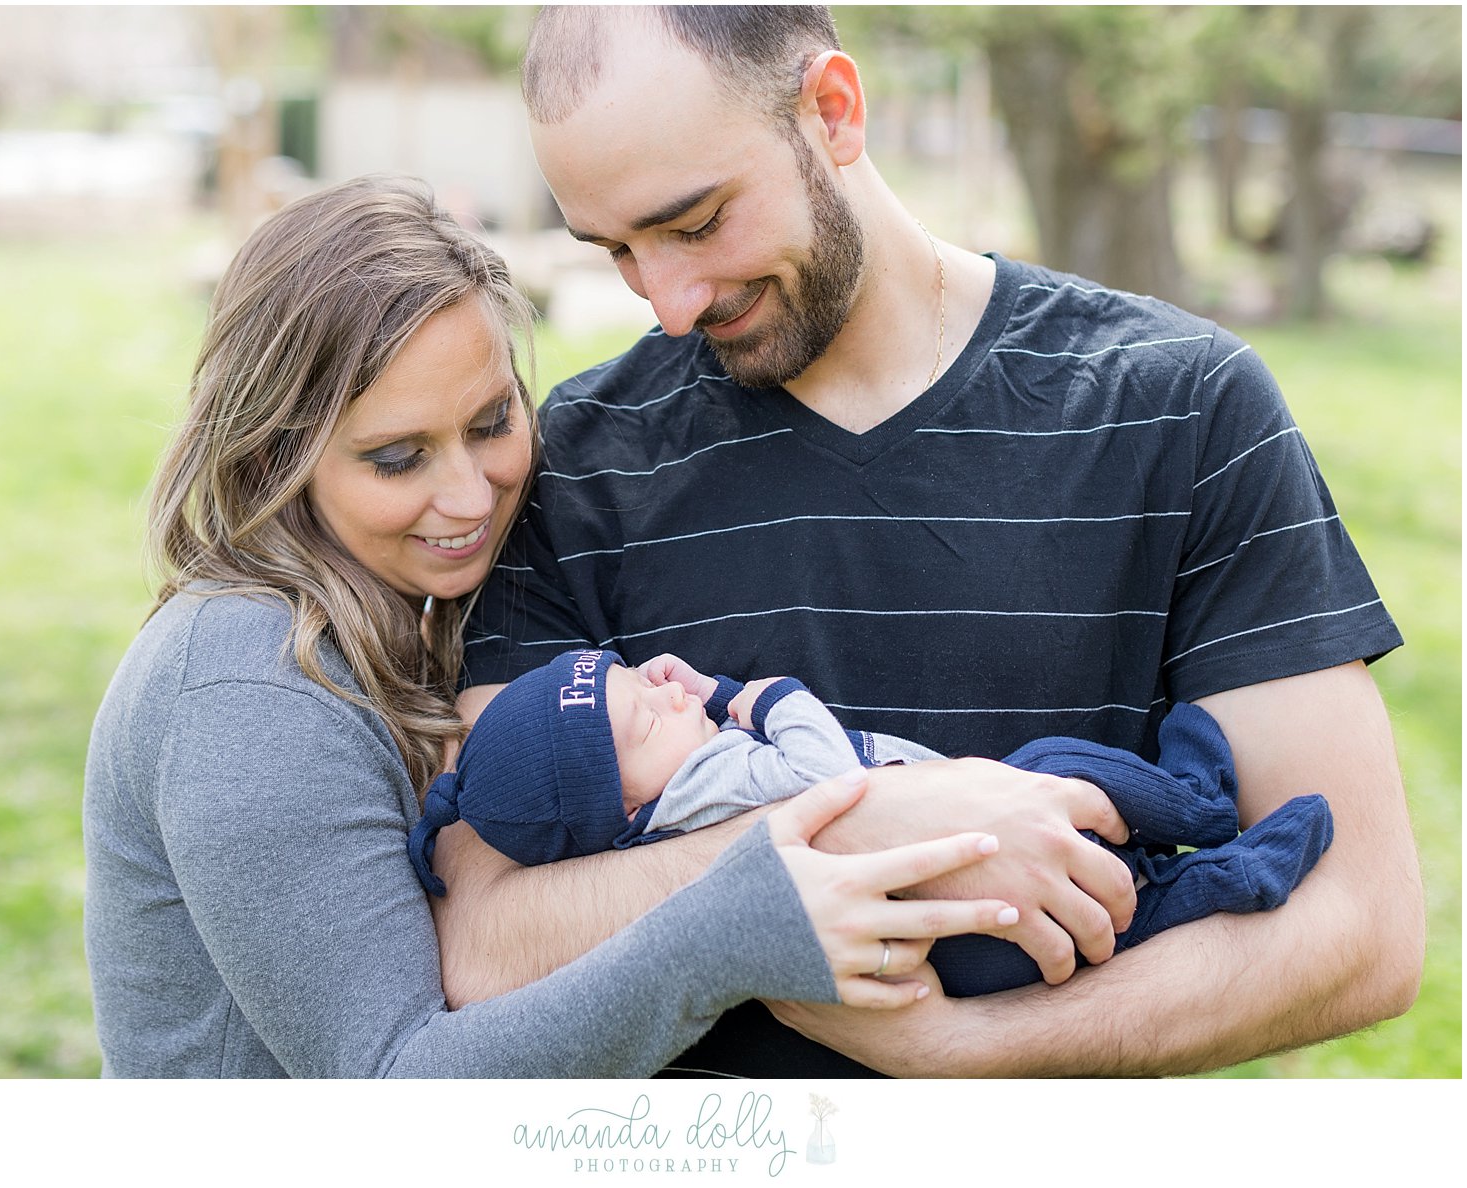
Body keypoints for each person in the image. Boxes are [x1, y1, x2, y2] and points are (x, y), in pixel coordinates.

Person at [447, 6, 1424, 1077]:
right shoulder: (576, 464)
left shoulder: (1180, 408)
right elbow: (485, 944)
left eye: (695, 222)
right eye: (618, 250)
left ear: (832, 110)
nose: (670, 304)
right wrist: (846, 834)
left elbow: (1359, 927)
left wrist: (965, 1051)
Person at [82, 173, 1026, 1078]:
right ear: (272, 453)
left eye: (492, 422)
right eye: (398, 457)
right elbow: (392, 1087)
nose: (469, 494)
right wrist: (725, 930)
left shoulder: (388, 623)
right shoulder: (249, 684)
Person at [409, 647, 1333, 998]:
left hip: (950, 935)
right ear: (626, 809)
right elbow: (828, 774)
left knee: (1126, 910)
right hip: (960, 907)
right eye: (637, 718)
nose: (659, 687)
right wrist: (758, 696)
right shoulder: (703, 793)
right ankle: (1207, 814)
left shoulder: (673, 794)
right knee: (1062, 774)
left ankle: (1216, 876)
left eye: (628, 676)